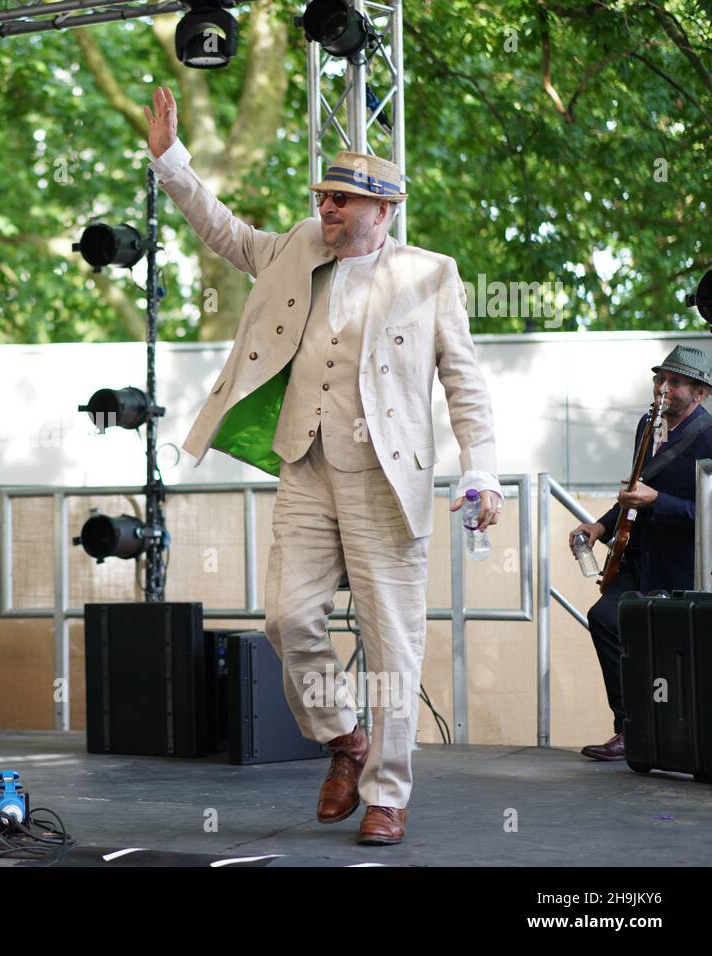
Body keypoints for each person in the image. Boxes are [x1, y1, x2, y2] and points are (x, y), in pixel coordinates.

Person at [144, 86, 501, 846]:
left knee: (394, 641)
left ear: (383, 210)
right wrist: (171, 163)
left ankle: (388, 794)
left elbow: (465, 381)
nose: (327, 209)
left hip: (385, 477)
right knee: (286, 618)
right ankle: (343, 737)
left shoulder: (431, 276)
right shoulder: (296, 247)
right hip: (305, 463)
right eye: (324, 197)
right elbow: (225, 233)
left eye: (341, 200)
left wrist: (482, 470)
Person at [569, 345, 712, 760]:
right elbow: (636, 491)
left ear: (700, 393)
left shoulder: (709, 435)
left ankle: (681, 741)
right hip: (639, 560)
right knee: (605, 619)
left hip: (686, 570)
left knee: (680, 657)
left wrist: (658, 502)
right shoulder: (647, 425)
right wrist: (600, 526)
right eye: (659, 379)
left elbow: (703, 513)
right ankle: (629, 728)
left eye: (675, 382)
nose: (663, 388)